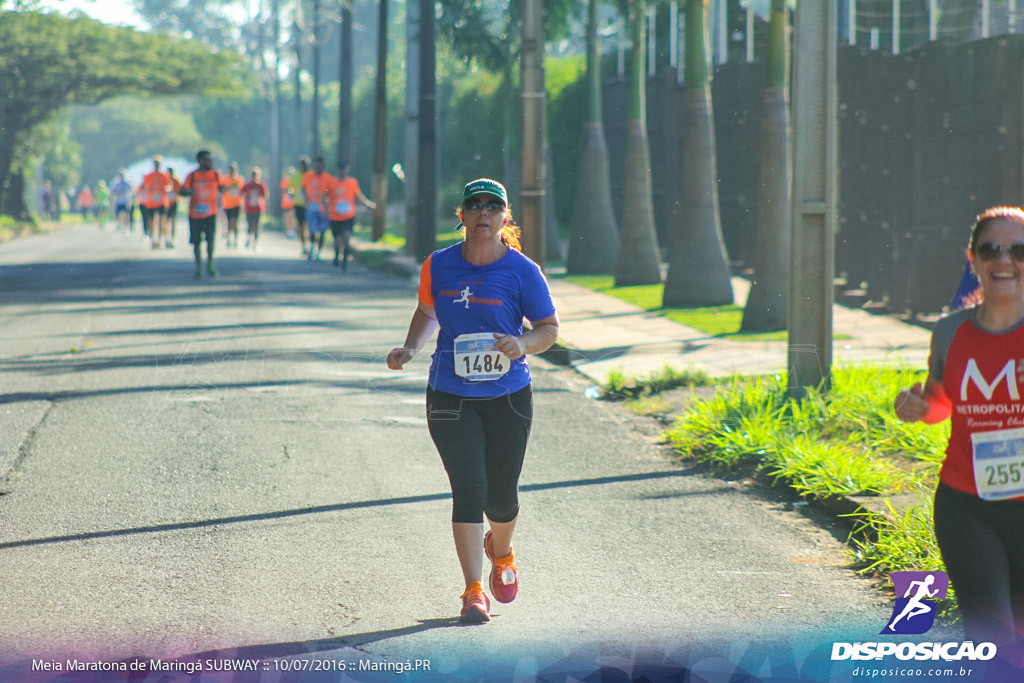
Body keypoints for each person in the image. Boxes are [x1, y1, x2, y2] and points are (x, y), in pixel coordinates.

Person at [386, 178, 560, 624]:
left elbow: (548, 328)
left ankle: (501, 553)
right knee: (469, 489)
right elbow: (428, 311)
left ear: (505, 218)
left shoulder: (523, 271)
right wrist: (410, 347)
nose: (484, 212)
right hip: (449, 393)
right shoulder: (439, 265)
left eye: (493, 205)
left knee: (501, 498)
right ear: (460, 216)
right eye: (474, 205)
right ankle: (473, 589)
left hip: (508, 396)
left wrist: (522, 343)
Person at [894, 205, 1024, 652]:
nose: (1004, 260)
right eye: (990, 249)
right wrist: (917, 406)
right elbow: (940, 405)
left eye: (1018, 249)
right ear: (973, 261)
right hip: (968, 507)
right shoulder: (951, 332)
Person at [324, 160, 375, 270]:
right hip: (335, 216)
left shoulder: (352, 182)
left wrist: (367, 204)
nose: (342, 171)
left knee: (347, 238)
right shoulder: (331, 183)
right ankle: (337, 255)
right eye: (340, 169)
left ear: (348, 169)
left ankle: (345, 262)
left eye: (344, 168)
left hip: (348, 216)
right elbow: (325, 194)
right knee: (337, 240)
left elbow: (358, 196)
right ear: (337, 169)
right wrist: (326, 209)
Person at [179, 150, 221, 279]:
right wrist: (188, 192)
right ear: (200, 161)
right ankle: (198, 267)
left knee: (210, 240)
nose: (210, 162)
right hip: (195, 214)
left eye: (211, 159)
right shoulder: (192, 176)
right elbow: (182, 191)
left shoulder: (215, 174)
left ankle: (210, 264)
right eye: (207, 159)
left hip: (211, 213)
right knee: (196, 242)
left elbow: (223, 187)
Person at [302, 156, 332, 261]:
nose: (318, 168)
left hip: (323, 207)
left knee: (322, 231)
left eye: (320, 166)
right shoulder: (308, 176)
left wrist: (328, 204)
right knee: (312, 230)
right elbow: (303, 188)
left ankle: (319, 252)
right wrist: (305, 197)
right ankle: (311, 249)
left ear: (323, 166)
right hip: (311, 206)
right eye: (316, 166)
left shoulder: (328, 178)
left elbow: (330, 192)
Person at [140, 156, 171, 249]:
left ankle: (162, 239)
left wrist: (167, 189)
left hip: (162, 201)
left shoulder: (165, 175)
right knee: (152, 221)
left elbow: (169, 185)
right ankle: (154, 240)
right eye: (155, 163)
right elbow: (143, 186)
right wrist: (148, 188)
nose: (157, 165)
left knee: (163, 220)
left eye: (158, 163)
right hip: (151, 201)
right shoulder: (149, 176)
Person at [241, 167, 269, 252]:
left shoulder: (261, 185)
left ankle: (256, 243)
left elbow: (265, 195)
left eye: (255, 175)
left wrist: (263, 202)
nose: (254, 177)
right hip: (249, 208)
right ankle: (249, 239)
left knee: (257, 226)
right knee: (250, 225)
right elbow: (241, 193)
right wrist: (247, 196)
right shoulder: (247, 185)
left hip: (258, 208)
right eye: (253, 175)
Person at [220, 162, 244, 247]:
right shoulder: (224, 179)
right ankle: (229, 239)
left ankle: (236, 239)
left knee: (235, 222)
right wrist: (228, 188)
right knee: (229, 222)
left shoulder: (240, 179)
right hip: (227, 204)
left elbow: (242, 191)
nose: (232, 171)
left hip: (237, 203)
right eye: (231, 169)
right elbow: (221, 191)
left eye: (234, 169)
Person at [289, 157, 310, 256]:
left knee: (309, 226)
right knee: (301, 225)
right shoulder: (295, 175)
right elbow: (291, 188)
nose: (303, 167)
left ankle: (311, 245)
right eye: (301, 165)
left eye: (305, 165)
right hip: (298, 204)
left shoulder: (311, 175)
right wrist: (291, 194)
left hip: (310, 205)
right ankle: (303, 246)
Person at [166, 167, 181, 248]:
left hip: (174, 202)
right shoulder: (165, 179)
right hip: (166, 203)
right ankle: (166, 238)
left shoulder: (176, 180)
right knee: (165, 221)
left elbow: (179, 191)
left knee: (173, 221)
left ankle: (172, 238)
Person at [281, 166, 297, 239]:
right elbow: (284, 189)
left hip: (293, 202)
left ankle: (293, 231)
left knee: (293, 217)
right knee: (287, 217)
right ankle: (288, 231)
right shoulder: (285, 181)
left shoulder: (295, 180)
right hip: (286, 202)